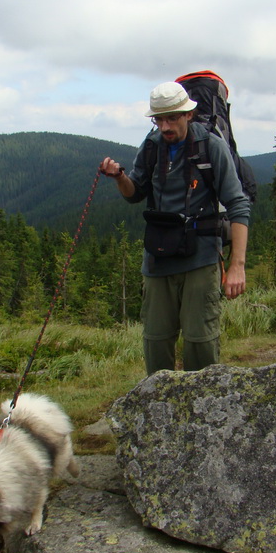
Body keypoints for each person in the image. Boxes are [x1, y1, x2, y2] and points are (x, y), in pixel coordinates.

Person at [101, 81, 251, 375]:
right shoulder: (151, 147)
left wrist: (237, 266)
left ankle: (204, 406)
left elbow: (238, 205)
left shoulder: (211, 147)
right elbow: (135, 194)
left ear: (188, 114)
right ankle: (158, 405)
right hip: (158, 259)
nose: (165, 126)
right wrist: (119, 176)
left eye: (172, 118)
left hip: (201, 257)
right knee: (156, 341)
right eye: (159, 119)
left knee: (200, 342)